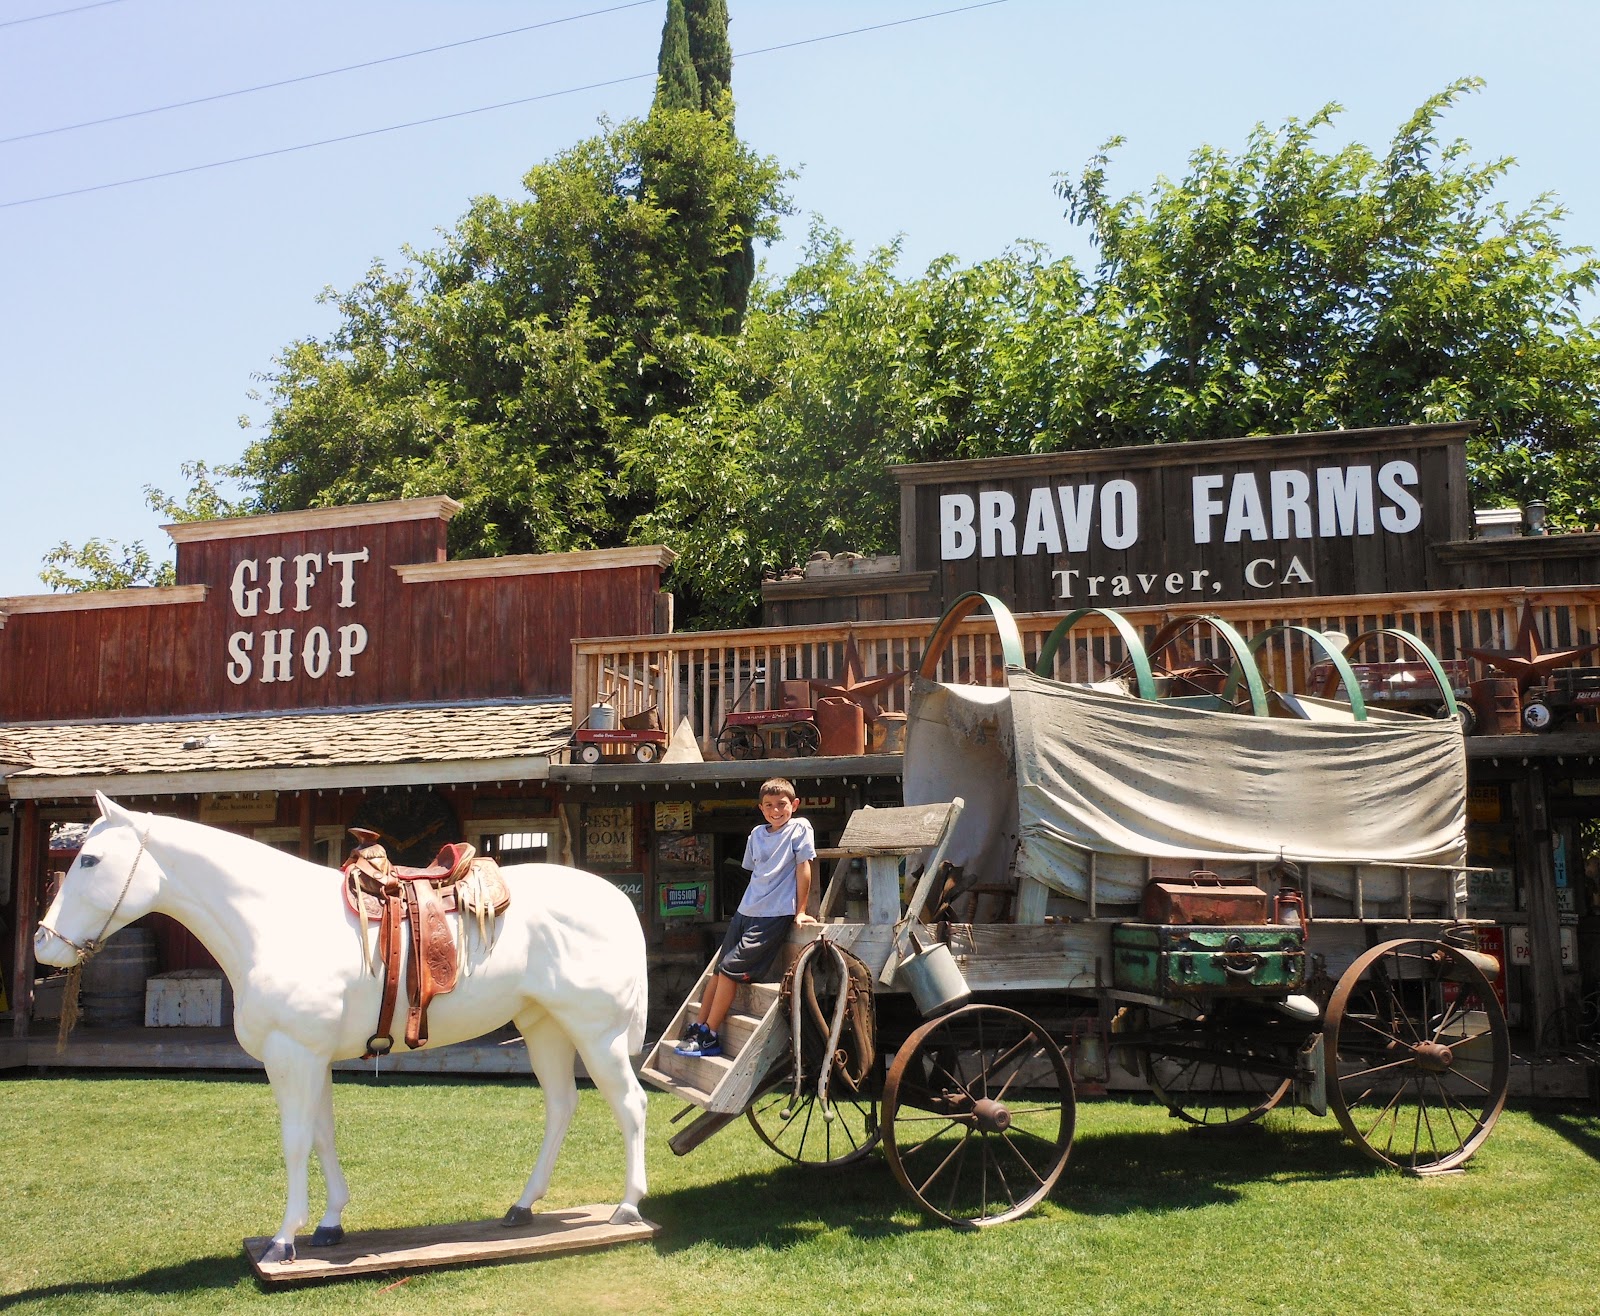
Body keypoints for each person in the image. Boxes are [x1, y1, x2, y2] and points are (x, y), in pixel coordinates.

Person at [675, 777, 816, 1057]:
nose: (775, 811)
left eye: (782, 804)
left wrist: (800, 911)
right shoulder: (756, 834)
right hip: (745, 911)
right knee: (718, 970)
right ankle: (699, 1026)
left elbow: (804, 868)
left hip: (773, 914)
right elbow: (755, 872)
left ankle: (710, 1035)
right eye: (768, 805)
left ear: (795, 804)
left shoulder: (800, 828)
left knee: (730, 970)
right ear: (760, 808)